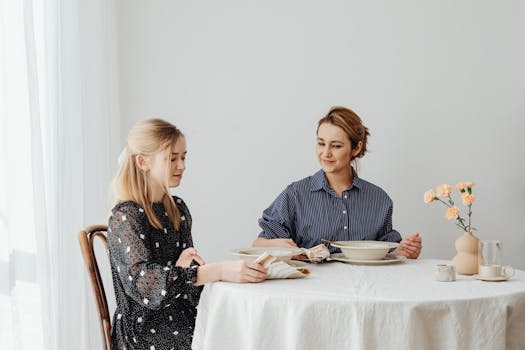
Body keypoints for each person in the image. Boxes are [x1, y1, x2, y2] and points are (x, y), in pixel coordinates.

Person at [108, 118, 267, 350]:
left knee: (242, 332)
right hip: (143, 331)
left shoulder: (177, 209)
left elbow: (187, 279)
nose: (182, 166)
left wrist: (189, 271)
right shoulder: (125, 217)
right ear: (143, 162)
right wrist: (216, 271)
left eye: (183, 157)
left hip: (180, 315)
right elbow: (145, 285)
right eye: (172, 158)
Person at [253, 106, 422, 259]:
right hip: (312, 289)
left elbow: (388, 252)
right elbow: (258, 244)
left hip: (367, 290)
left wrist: (404, 251)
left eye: (336, 146)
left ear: (355, 148)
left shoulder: (379, 199)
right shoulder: (296, 194)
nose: (325, 153)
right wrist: (279, 246)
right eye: (321, 143)